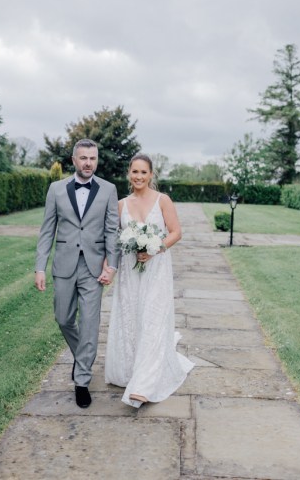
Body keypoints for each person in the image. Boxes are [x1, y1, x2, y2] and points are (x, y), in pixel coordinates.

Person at [35, 139, 119, 409]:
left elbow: (111, 231)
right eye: (83, 158)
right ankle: (81, 356)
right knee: (63, 318)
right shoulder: (56, 189)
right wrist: (40, 267)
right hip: (64, 264)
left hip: (94, 268)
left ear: (97, 160)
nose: (88, 163)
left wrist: (112, 266)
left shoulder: (108, 189)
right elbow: (47, 229)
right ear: (74, 160)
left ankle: (82, 380)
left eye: (92, 158)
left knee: (90, 325)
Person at [105, 153, 194, 408]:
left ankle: (144, 385)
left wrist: (155, 248)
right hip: (131, 273)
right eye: (135, 172)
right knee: (132, 318)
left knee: (153, 320)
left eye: (144, 172)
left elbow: (176, 232)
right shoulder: (121, 205)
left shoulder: (162, 200)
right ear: (128, 174)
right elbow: (114, 238)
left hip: (156, 269)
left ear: (151, 175)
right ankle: (129, 368)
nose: (139, 177)